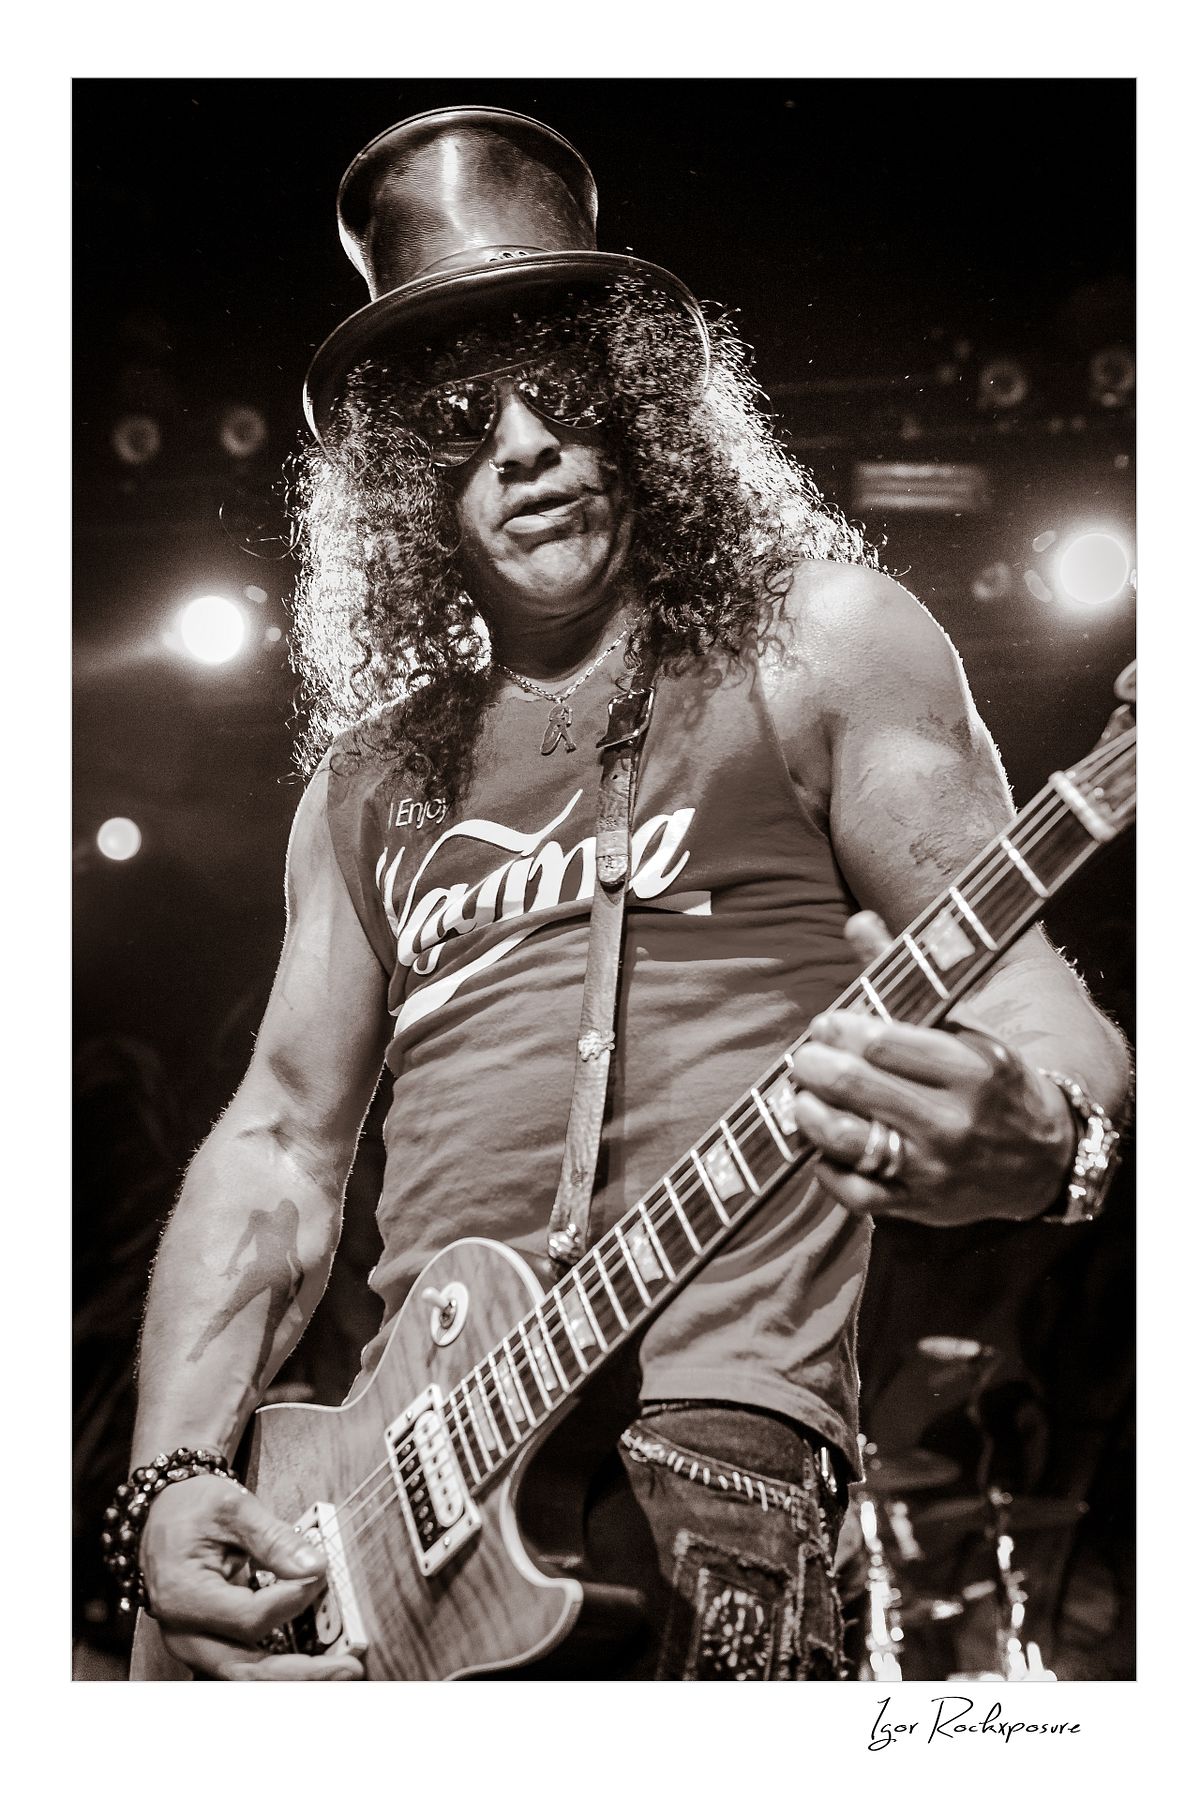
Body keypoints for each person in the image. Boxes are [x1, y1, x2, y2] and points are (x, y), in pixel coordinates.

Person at [118, 106, 1129, 1681]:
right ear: (407, 473)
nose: (523, 442)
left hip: (714, 1450)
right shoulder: (366, 786)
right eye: (462, 412)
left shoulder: (821, 642)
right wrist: (169, 1479)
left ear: (640, 405)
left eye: (566, 388)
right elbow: (280, 1144)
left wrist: (1057, 1141)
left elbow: (1014, 983)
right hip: (385, 1509)